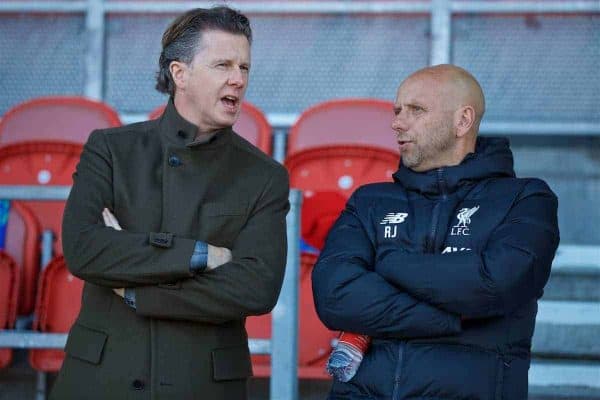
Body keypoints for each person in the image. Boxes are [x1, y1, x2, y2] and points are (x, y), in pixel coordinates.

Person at [51, 6, 290, 400]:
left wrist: (134, 290)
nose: (238, 79)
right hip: (99, 381)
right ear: (180, 73)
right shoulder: (110, 150)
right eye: (223, 65)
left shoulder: (264, 176)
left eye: (244, 67)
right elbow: (83, 249)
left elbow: (255, 289)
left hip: (203, 386)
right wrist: (199, 255)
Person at [312, 64, 559, 399]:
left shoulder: (525, 198)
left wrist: (387, 263)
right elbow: (335, 298)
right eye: (397, 111)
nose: (397, 122)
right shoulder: (370, 201)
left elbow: (494, 285)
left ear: (463, 121)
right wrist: (456, 315)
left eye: (417, 110)